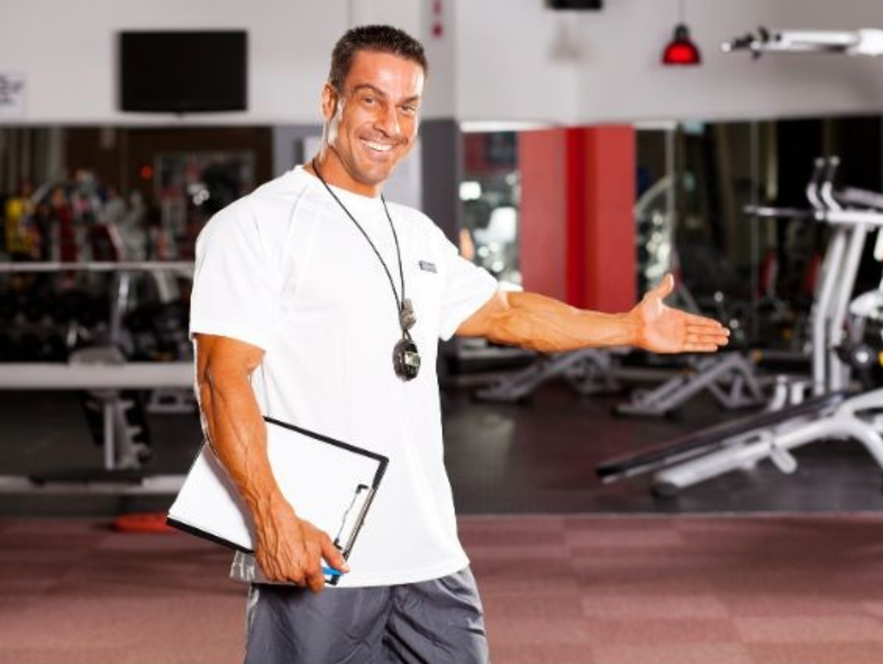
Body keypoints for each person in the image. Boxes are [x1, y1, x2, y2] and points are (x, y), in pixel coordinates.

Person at [191, 24, 729, 664]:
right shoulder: (256, 224)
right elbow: (222, 380)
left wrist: (627, 328)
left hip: (429, 556)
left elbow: (507, 312)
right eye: (371, 99)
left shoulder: (415, 235)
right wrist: (270, 519)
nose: (390, 123)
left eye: (408, 106)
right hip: (322, 552)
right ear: (330, 101)